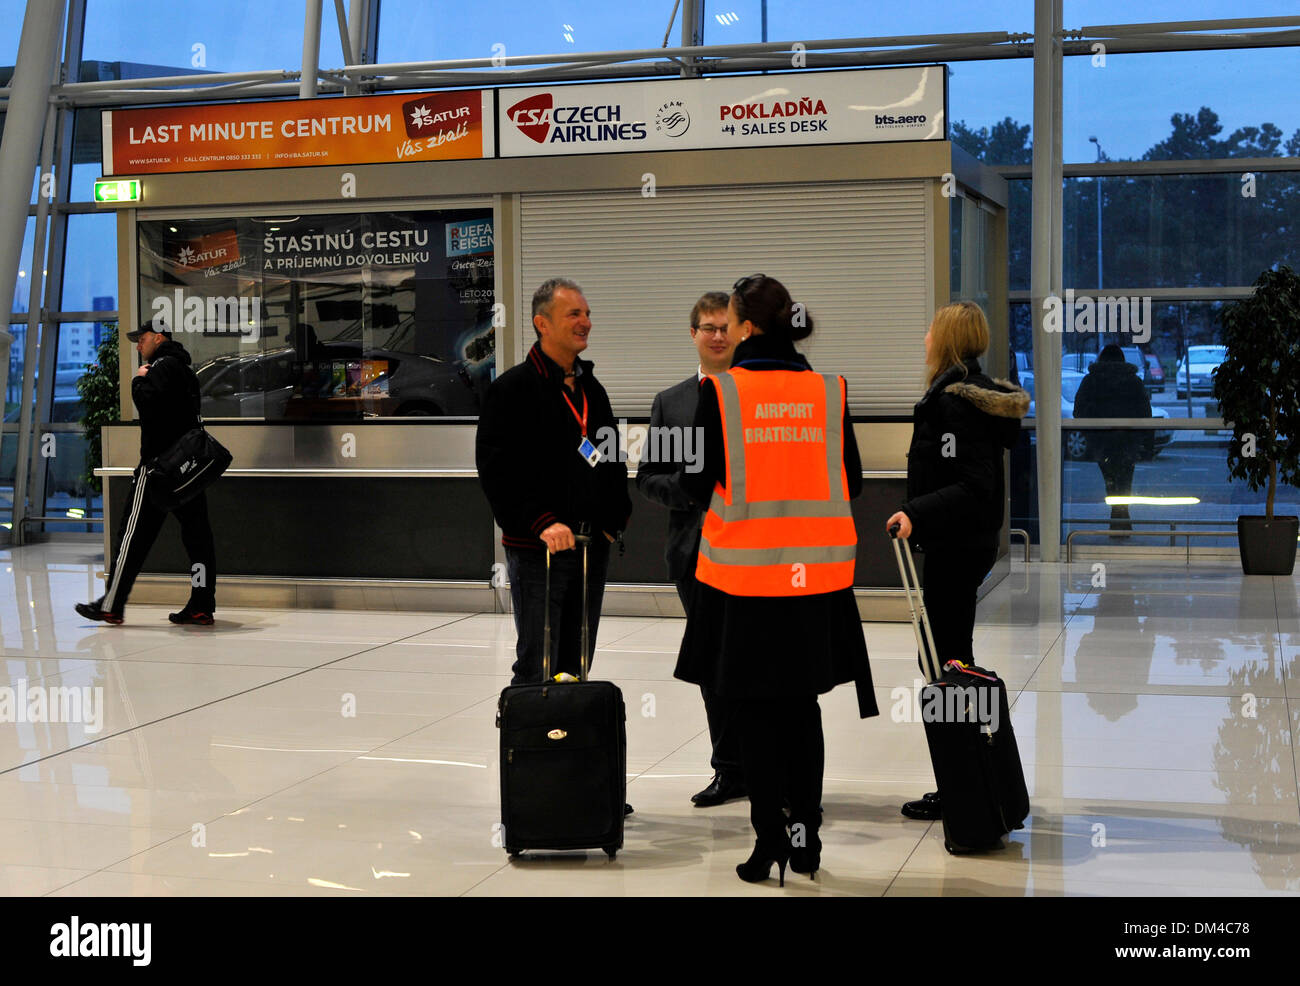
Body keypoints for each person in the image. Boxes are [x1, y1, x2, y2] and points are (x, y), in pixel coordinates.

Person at [676, 275, 878, 885]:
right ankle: (805, 836)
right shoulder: (827, 390)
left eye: (731, 320)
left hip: (744, 587)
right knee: (801, 709)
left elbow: (692, 482)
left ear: (746, 327)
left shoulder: (723, 393)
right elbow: (855, 481)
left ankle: (768, 841)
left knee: (757, 715)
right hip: (815, 584)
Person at [884, 301, 1028, 821]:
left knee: (945, 663)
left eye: (929, 329)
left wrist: (915, 513)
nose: (923, 337)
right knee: (950, 659)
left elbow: (973, 484)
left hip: (953, 545)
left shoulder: (953, 404)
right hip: (965, 544)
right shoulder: (975, 398)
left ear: (945, 339)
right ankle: (967, 779)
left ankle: (963, 786)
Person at [475, 277, 632, 682]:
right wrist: (542, 521)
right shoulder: (512, 390)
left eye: (587, 314)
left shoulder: (591, 390)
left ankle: (572, 742)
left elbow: (611, 456)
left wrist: (614, 520)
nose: (586, 322)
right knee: (539, 665)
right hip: (539, 551)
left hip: (590, 547)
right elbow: (498, 473)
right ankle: (531, 743)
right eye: (574, 314)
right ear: (542, 323)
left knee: (577, 663)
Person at [636, 291, 745, 808]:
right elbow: (649, 478)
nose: (717, 335)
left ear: (742, 332)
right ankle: (729, 770)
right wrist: (691, 490)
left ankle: (771, 766)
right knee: (714, 666)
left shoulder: (759, 395)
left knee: (757, 661)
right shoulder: (672, 402)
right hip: (694, 552)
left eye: (726, 326)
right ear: (694, 334)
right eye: (708, 327)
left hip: (754, 553)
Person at [76, 320, 218, 626]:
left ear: (158, 337)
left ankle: (111, 605)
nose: (138, 345)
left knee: (131, 537)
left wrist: (137, 381)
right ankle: (202, 604)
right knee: (198, 538)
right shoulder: (186, 370)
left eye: (142, 339)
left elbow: (148, 405)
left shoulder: (161, 367)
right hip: (186, 470)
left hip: (157, 468)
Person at [1071, 343, 1152, 536]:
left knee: (1110, 480)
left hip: (1101, 441)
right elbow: (1145, 413)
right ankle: (1121, 519)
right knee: (1125, 480)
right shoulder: (1133, 381)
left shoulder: (1091, 381)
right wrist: (1145, 443)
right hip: (1128, 441)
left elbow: (1078, 410)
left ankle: (1118, 519)